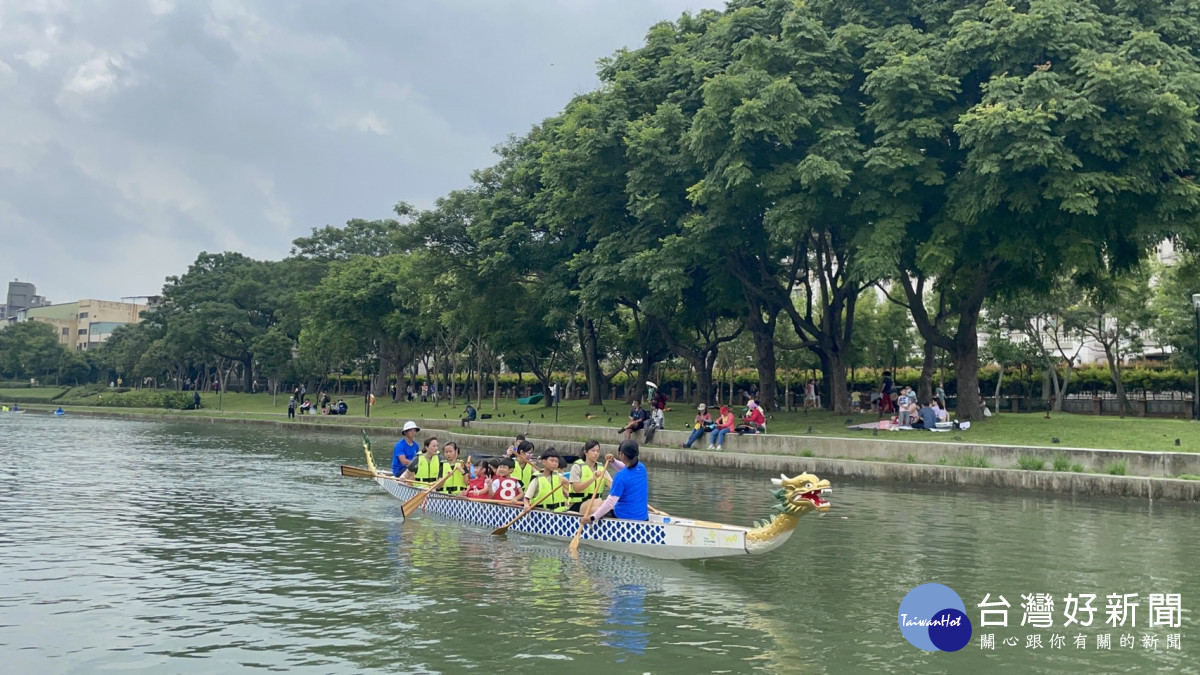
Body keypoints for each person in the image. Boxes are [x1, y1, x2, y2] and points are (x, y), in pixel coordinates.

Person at [583, 440, 648, 523]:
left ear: (622, 455)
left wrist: (592, 518)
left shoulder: (620, 477)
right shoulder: (641, 468)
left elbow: (610, 503)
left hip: (623, 519)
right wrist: (613, 461)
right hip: (643, 518)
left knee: (593, 510)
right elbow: (626, 468)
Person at [568, 440, 612, 513]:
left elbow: (613, 486)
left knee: (608, 503)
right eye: (593, 451)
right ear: (585, 452)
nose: (596, 454)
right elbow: (577, 488)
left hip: (596, 504)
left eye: (598, 451)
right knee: (598, 501)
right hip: (578, 505)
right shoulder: (577, 467)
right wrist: (593, 478)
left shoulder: (601, 468)